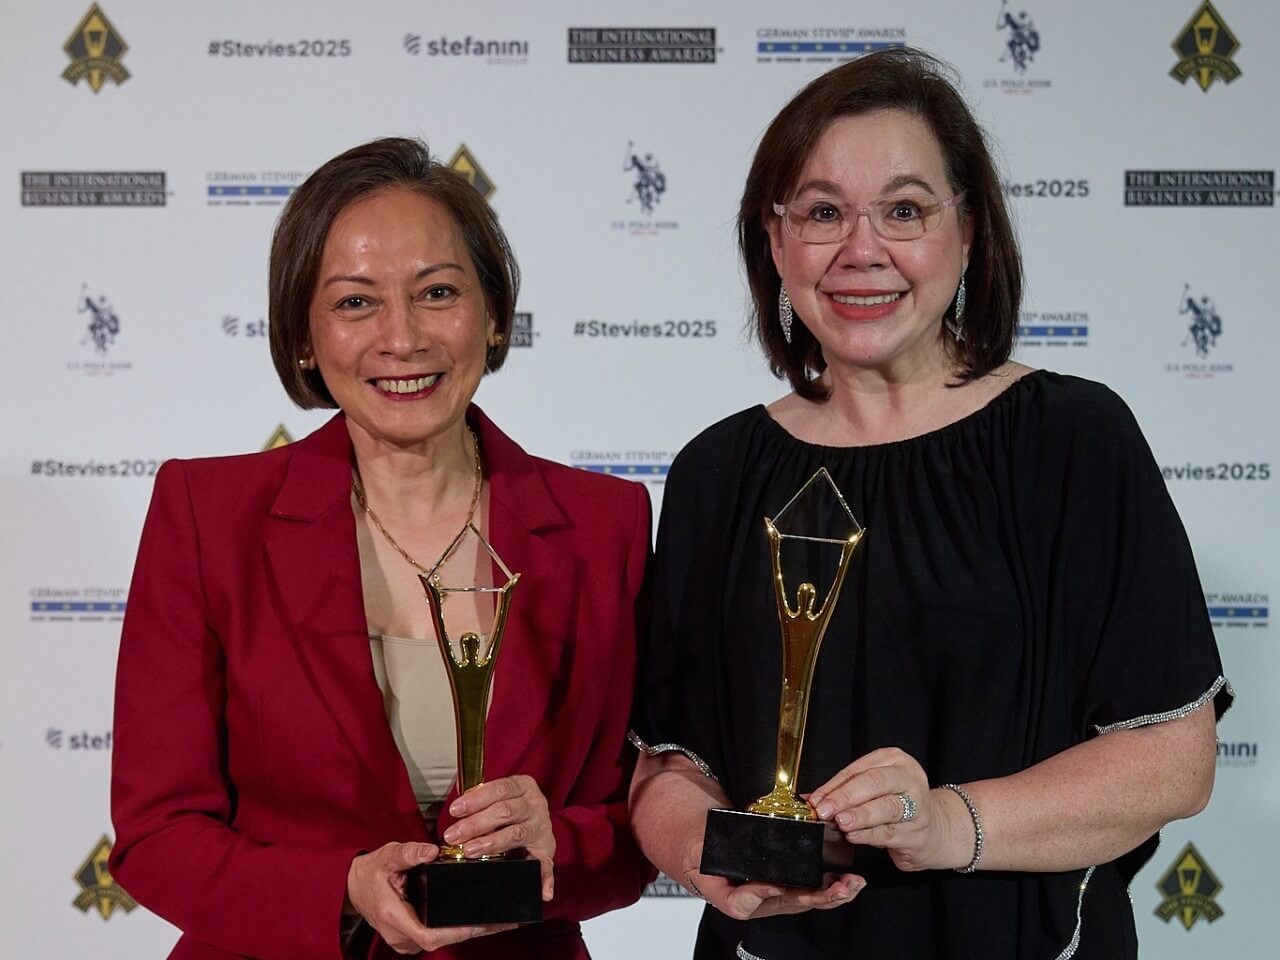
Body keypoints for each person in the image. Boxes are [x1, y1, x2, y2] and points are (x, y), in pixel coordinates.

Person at [628, 49, 1230, 959]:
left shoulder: (1071, 438)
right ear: (776, 238)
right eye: (823, 212)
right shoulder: (718, 471)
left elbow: (1171, 761)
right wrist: (703, 856)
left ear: (969, 231)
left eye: (904, 210)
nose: (861, 250)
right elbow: (673, 764)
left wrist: (948, 822)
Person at [110, 137, 653, 960]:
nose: (402, 338)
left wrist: (557, 846)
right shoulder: (207, 514)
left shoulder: (604, 522)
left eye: (437, 292)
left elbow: (631, 836)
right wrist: (342, 888)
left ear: (494, 313)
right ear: (303, 335)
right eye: (356, 302)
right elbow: (155, 836)